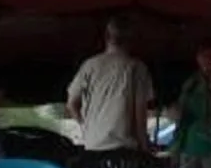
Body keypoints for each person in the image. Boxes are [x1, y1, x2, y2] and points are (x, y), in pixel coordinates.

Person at [66, 16, 154, 152]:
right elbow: (139, 113)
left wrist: (86, 126)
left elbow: (72, 104)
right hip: (124, 149)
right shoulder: (137, 68)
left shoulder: (89, 66)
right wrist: (145, 148)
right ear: (131, 40)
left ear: (106, 37)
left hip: (93, 147)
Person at [171, 45, 211, 168]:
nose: (208, 60)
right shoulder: (191, 84)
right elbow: (181, 117)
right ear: (198, 59)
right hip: (191, 146)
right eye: (204, 56)